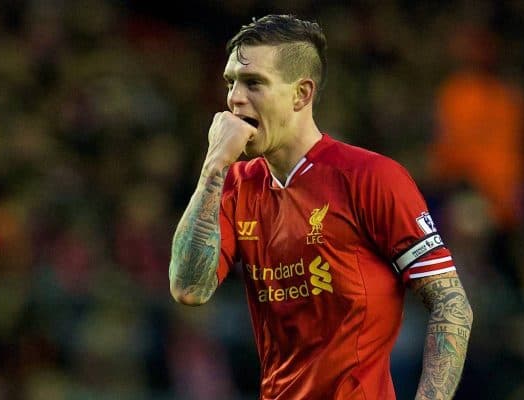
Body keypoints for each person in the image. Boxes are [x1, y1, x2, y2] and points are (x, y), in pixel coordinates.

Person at [169, 14, 473, 400]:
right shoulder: (234, 184)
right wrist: (213, 169)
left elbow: (451, 306)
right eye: (231, 82)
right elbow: (189, 288)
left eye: (253, 83)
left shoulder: (370, 177)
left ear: (301, 93)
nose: (234, 99)